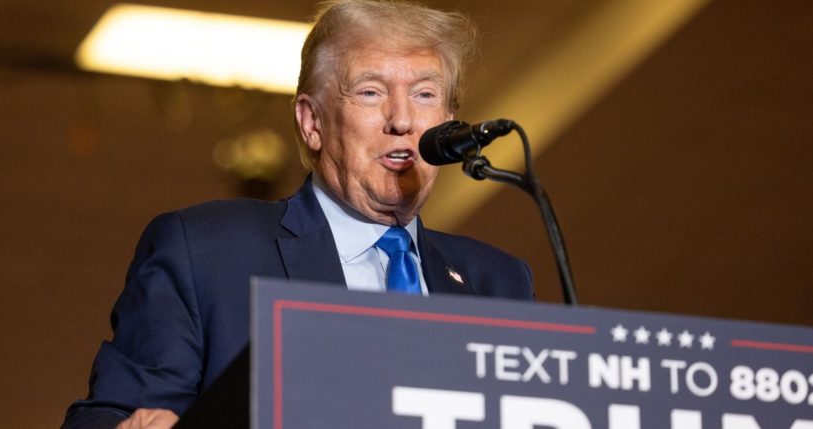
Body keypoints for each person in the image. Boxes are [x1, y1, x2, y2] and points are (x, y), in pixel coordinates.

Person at [62, 0, 534, 428]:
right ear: (312, 123)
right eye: (370, 92)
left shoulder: (499, 283)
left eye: (425, 95)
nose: (403, 119)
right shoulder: (206, 251)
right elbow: (110, 415)